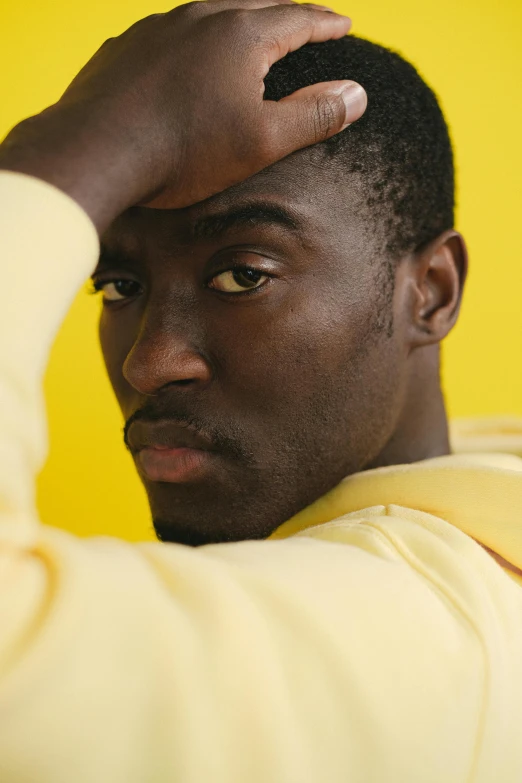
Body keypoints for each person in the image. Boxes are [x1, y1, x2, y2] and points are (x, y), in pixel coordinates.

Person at [0, 2, 521, 781]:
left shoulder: (405, 629)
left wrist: (68, 156)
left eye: (244, 275)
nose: (150, 363)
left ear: (432, 291)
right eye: (118, 283)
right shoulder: (486, 500)